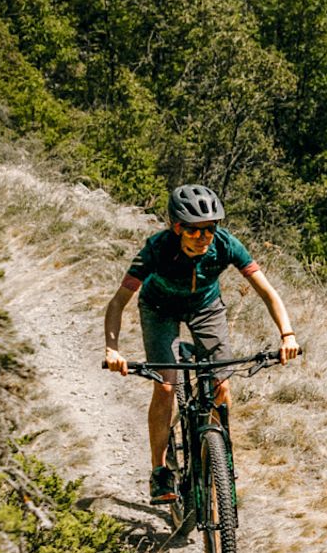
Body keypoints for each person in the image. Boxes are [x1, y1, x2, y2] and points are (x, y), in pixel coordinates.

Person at [99, 184, 300, 506]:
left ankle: (220, 456)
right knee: (165, 386)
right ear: (177, 228)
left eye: (210, 228)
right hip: (159, 310)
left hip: (206, 308)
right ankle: (160, 470)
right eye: (194, 231)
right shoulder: (156, 249)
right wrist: (112, 349)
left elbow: (267, 292)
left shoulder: (225, 245)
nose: (204, 237)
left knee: (222, 385)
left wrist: (287, 335)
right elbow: (118, 302)